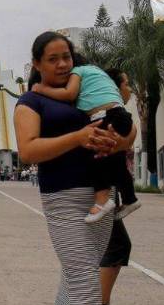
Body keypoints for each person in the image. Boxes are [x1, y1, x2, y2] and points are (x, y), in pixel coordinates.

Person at [15, 31, 136, 305]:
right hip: (64, 199)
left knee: (75, 276)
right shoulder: (30, 101)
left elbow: (124, 131)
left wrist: (114, 141)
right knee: (84, 283)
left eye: (66, 56)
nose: (62, 64)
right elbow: (28, 151)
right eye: (52, 59)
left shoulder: (86, 91)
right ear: (37, 64)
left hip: (101, 196)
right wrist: (79, 136)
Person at [32, 54, 140, 224]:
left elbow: (69, 93)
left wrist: (41, 89)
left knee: (95, 158)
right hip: (120, 115)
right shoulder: (98, 74)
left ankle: (102, 200)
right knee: (117, 162)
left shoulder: (78, 72)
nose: (62, 67)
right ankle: (130, 198)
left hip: (106, 116)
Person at [99, 69, 138, 305]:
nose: (130, 87)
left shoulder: (109, 113)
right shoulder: (113, 116)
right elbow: (123, 143)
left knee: (111, 246)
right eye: (126, 82)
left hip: (106, 191)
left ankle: (94, 303)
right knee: (117, 245)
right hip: (100, 192)